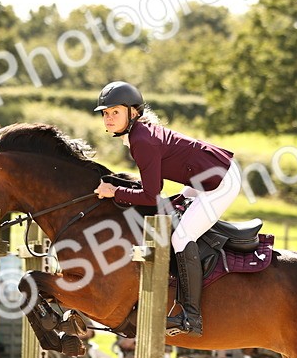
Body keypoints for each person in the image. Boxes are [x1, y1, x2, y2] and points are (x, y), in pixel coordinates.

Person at [92, 81, 241, 337]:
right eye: (105, 113)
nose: (108, 118)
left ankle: (191, 316)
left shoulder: (142, 139)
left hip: (220, 182)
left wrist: (114, 192)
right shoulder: (139, 134)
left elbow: (151, 196)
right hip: (201, 179)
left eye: (115, 112)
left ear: (133, 112)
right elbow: (153, 187)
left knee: (181, 237)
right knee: (172, 212)